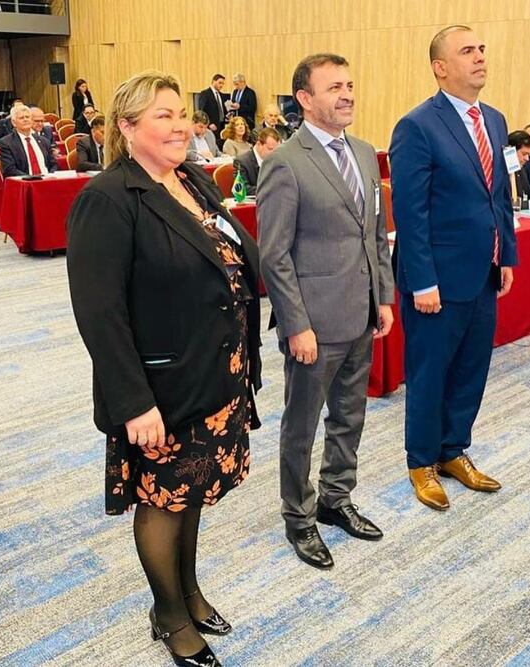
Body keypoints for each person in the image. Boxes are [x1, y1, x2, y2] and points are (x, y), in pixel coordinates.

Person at [67, 70, 262, 667]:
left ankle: (190, 591)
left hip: (217, 373)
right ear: (127, 128)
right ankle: (170, 615)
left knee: (192, 491)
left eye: (181, 114)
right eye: (163, 116)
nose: (180, 126)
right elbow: (100, 316)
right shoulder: (108, 199)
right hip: (162, 386)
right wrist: (134, 402)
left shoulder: (193, 180)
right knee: (164, 498)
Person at [257, 53, 394, 570]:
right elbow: (274, 255)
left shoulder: (363, 153)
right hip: (313, 325)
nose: (348, 94)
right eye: (334, 86)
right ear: (305, 98)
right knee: (302, 425)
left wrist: (383, 297)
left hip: (361, 313)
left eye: (350, 84)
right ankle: (299, 516)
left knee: (350, 415)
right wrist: (297, 325)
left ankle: (336, 497)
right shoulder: (285, 162)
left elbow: (374, 233)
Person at [389, 25, 516, 512]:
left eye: (481, 48)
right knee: (430, 373)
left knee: (471, 368)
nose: (480, 56)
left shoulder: (495, 121)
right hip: (436, 280)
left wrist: (506, 254)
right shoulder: (417, 126)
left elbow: (500, 196)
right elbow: (410, 211)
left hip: (483, 271)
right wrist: (422, 279)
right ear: (440, 67)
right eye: (467, 51)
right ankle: (421, 461)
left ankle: (452, 450)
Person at [0, 104, 57, 177]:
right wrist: (33, 179)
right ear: (14, 122)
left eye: (27, 117)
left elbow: (54, 165)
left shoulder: (44, 141)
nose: (25, 120)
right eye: (21, 118)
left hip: (47, 180)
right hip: (25, 181)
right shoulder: (6, 143)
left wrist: (50, 176)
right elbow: (10, 170)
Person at [233, 127, 280, 195]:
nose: (274, 153)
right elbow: (242, 188)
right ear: (259, 144)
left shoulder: (277, 160)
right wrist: (269, 190)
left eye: (276, 150)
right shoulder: (241, 162)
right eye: (270, 149)